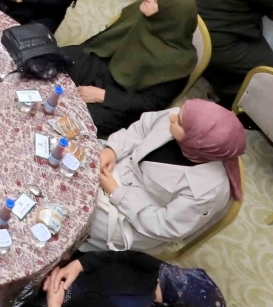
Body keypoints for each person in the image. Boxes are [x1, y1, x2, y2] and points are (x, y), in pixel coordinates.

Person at [83, 100, 246, 254]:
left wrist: (117, 193)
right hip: (122, 165)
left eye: (180, 122)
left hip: (138, 218)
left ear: (197, 141)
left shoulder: (209, 190)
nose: (172, 116)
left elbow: (165, 226)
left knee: (80, 217)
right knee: (78, 155)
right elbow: (142, 129)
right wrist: (113, 150)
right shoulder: (182, 118)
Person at [62, 0, 201, 138]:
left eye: (155, 0)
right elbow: (105, 38)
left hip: (124, 96)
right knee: (50, 64)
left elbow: (149, 103)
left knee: (73, 122)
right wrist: (77, 55)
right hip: (104, 62)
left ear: (168, 16)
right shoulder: (140, 12)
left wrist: (102, 95)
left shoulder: (178, 64)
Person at [39, 253, 225, 307]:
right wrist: (78, 265)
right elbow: (120, 256)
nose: (159, 278)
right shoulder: (160, 271)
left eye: (167, 287)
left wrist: (54, 305)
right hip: (63, 273)